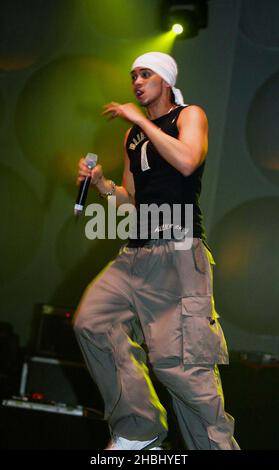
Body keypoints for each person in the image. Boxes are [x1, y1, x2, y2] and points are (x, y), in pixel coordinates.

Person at [74, 52, 240, 450]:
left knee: (180, 368)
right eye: (132, 75)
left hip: (179, 252)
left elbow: (187, 161)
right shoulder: (132, 135)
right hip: (136, 254)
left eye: (145, 74)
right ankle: (139, 427)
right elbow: (131, 201)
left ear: (164, 80)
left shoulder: (188, 116)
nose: (136, 81)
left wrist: (140, 120)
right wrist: (101, 184)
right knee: (91, 321)